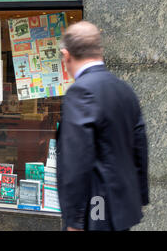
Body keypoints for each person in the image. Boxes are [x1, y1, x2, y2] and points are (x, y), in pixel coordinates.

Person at [56, 21, 149, 231]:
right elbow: (140, 147)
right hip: (123, 210)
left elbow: (76, 160)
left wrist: (75, 221)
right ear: (99, 51)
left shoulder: (80, 92)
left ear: (66, 55)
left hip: (95, 213)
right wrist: (140, 197)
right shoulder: (125, 90)